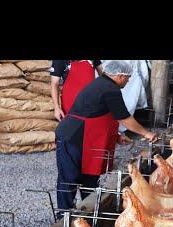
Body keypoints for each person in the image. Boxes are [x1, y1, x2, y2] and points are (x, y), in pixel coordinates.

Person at [54, 60, 159, 211]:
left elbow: (97, 114)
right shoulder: (110, 88)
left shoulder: (101, 84)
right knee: (69, 178)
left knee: (89, 177)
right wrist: (147, 133)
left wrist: (116, 135)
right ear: (120, 76)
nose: (128, 81)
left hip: (87, 137)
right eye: (128, 78)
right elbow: (124, 118)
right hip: (73, 136)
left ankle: (89, 210)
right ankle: (63, 216)